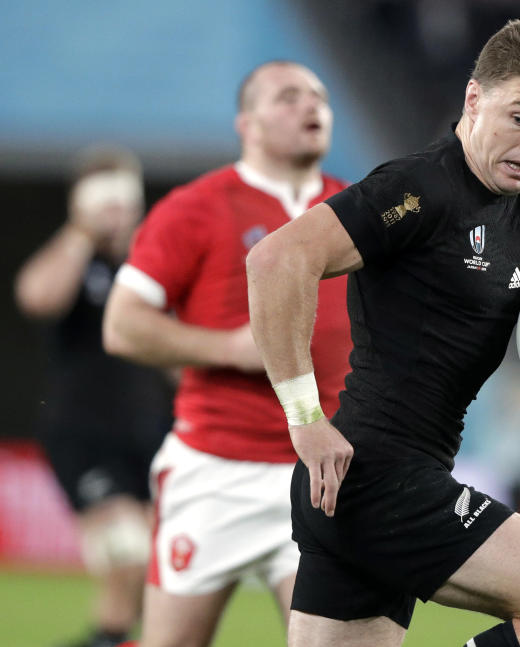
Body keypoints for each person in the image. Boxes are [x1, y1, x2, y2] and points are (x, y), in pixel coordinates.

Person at [247, 19, 520, 647]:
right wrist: (303, 418)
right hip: (378, 477)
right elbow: (277, 260)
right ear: (473, 99)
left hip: (364, 486)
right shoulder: (419, 188)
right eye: (519, 118)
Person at [101, 61, 352, 647]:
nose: (309, 105)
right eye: (287, 97)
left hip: (319, 476)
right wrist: (230, 349)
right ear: (248, 123)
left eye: (318, 95)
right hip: (216, 471)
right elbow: (121, 326)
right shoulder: (197, 206)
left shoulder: (353, 210)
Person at [15, 146, 174, 647]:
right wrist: (81, 232)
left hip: (150, 433)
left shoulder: (151, 269)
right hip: (82, 433)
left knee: (159, 570)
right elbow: (37, 297)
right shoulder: (74, 260)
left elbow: (176, 357)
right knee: (126, 548)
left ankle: (108, 639)